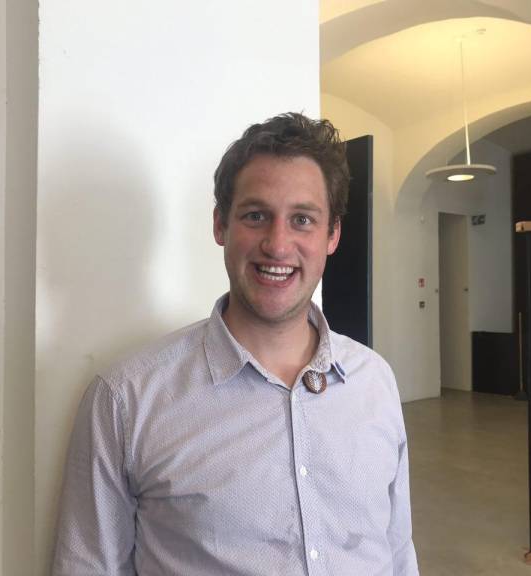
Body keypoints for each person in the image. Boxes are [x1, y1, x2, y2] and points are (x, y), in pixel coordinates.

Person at [52, 113, 419, 575]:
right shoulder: (127, 399)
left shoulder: (375, 381)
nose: (278, 245)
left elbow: (398, 552)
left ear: (333, 235)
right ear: (220, 225)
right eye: (256, 216)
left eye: (302, 220)